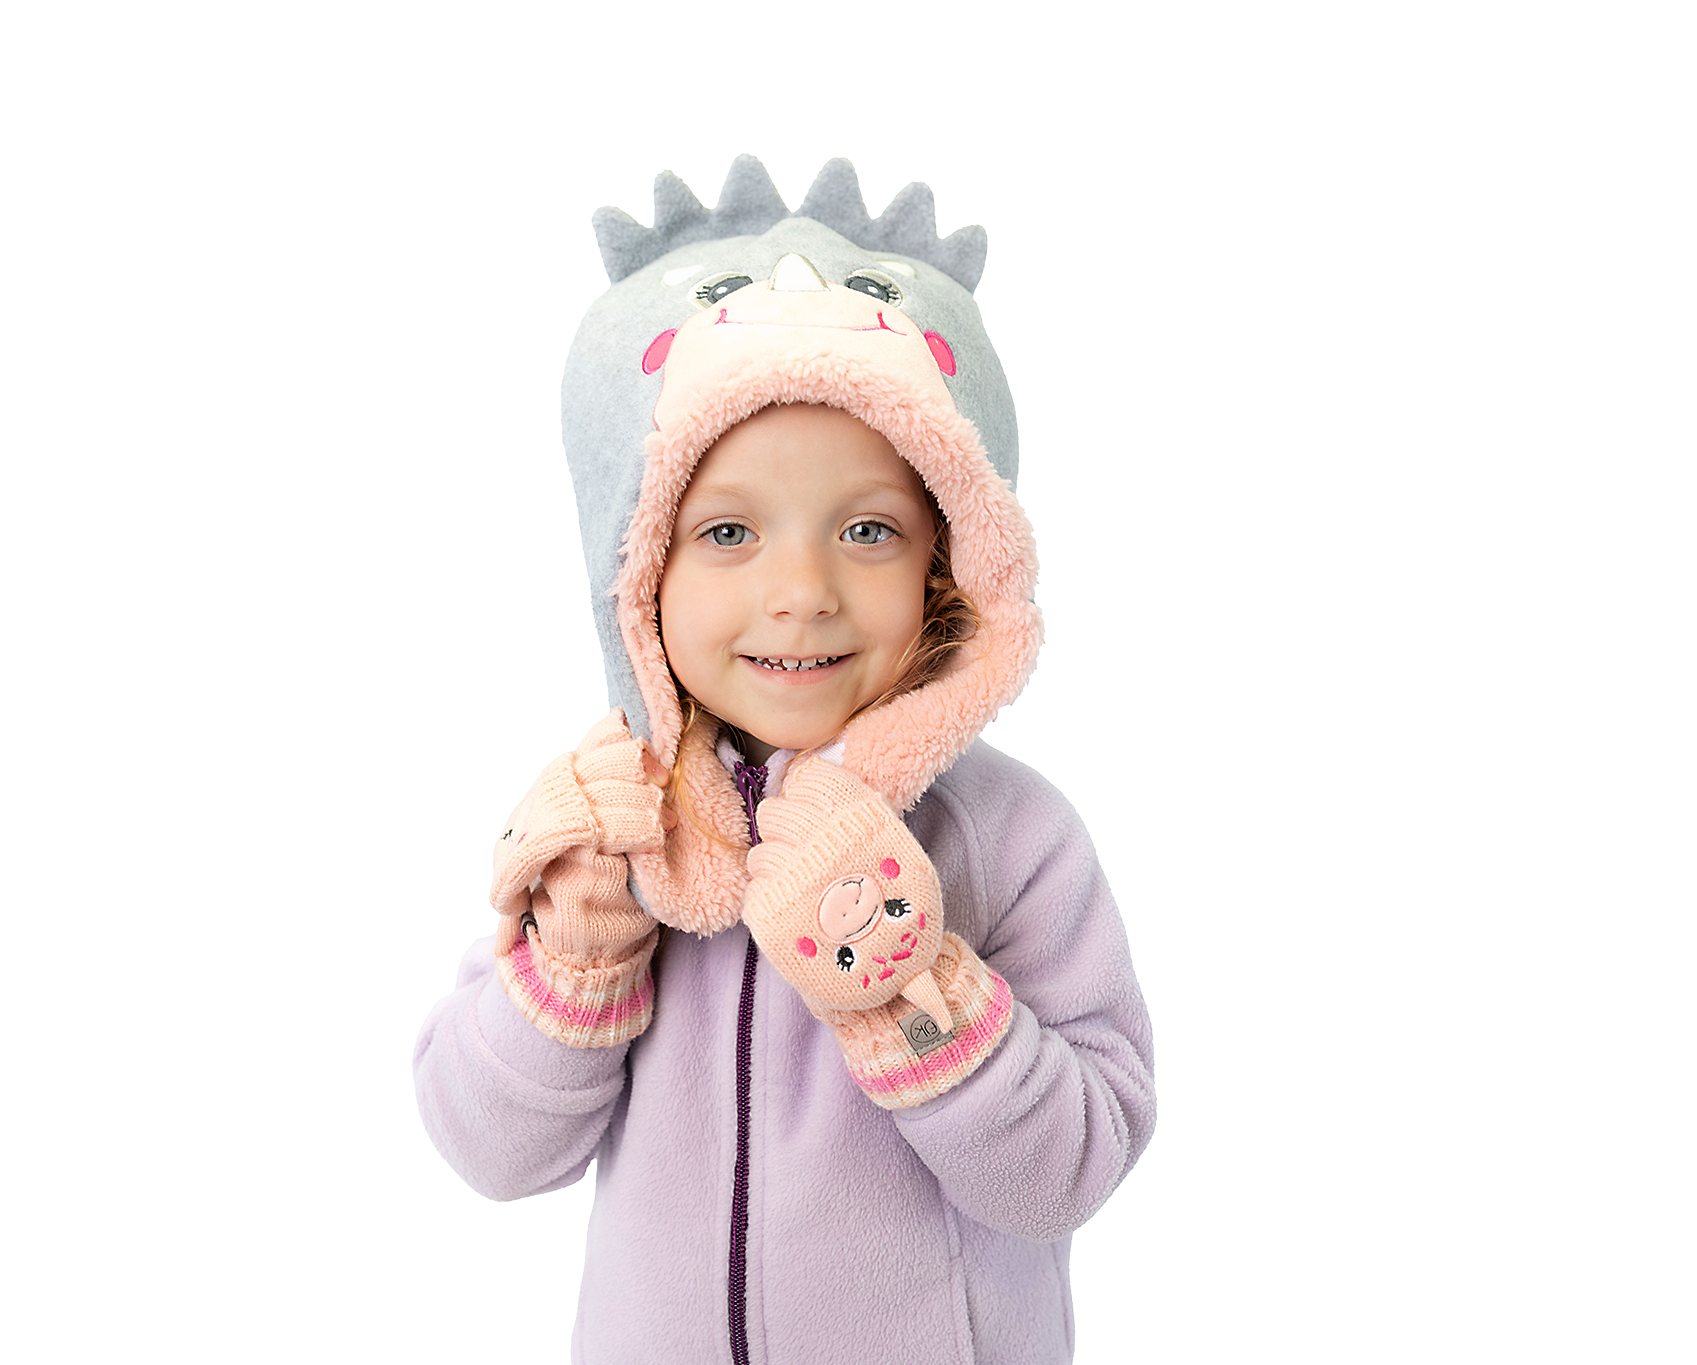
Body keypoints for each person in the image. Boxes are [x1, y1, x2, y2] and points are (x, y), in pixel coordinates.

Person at [413, 156, 1155, 1364]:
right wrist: (576, 958)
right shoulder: (617, 822)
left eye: (867, 529)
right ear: (634, 569)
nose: (800, 591)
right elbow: (491, 1151)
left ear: (951, 556)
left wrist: (907, 986)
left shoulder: (1013, 838)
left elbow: (1068, 1169)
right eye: (726, 530)